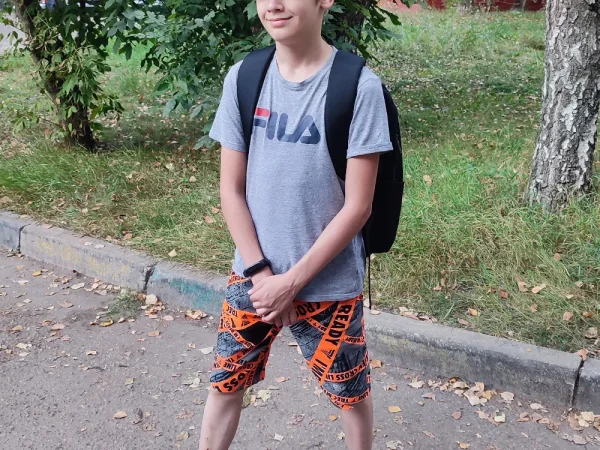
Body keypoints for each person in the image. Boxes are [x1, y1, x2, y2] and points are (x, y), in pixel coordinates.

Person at [199, 0, 393, 449]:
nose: (273, 5)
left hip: (329, 286)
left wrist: (291, 283)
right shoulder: (244, 78)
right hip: (252, 280)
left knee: (351, 396)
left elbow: (358, 207)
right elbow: (230, 190)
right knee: (225, 385)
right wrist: (264, 276)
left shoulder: (358, 88)